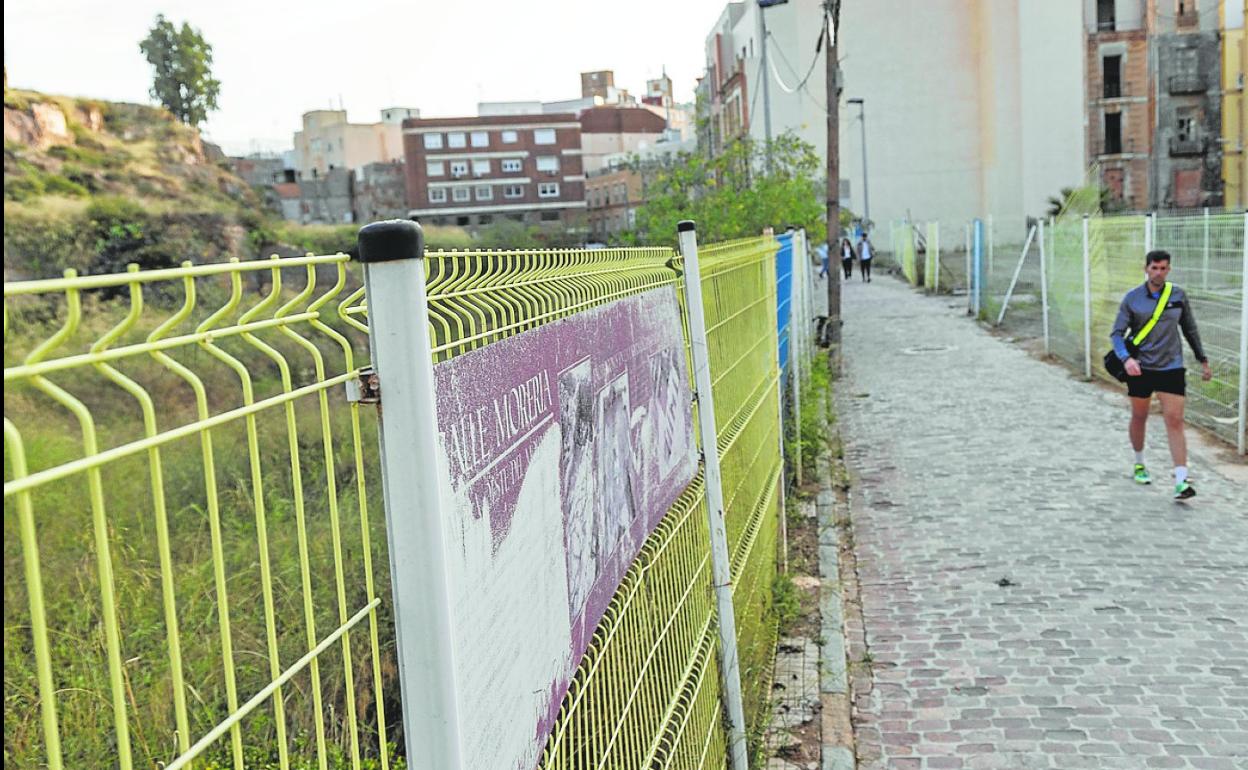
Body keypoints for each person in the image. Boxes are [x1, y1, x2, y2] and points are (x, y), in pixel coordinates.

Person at [1109, 250, 1211, 500]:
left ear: (1169, 270)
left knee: (1175, 420)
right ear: (1146, 269)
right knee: (1140, 416)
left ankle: (1181, 480)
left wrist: (1202, 359)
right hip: (1141, 368)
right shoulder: (1132, 298)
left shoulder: (1177, 295)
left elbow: (1189, 328)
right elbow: (1117, 333)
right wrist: (1127, 359)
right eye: (1154, 268)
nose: (1159, 272)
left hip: (1171, 366)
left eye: (1163, 268)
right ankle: (1139, 462)